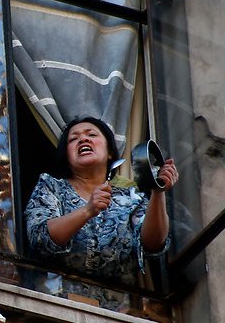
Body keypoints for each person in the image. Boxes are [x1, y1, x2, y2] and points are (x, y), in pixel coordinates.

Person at [24, 116, 178, 308]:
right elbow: (40, 237)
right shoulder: (51, 187)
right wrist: (88, 210)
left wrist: (157, 191)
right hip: (54, 308)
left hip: (116, 312)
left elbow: (153, 245)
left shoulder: (131, 198)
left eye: (92, 135)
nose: (83, 139)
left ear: (110, 152)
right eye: (74, 139)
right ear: (66, 154)